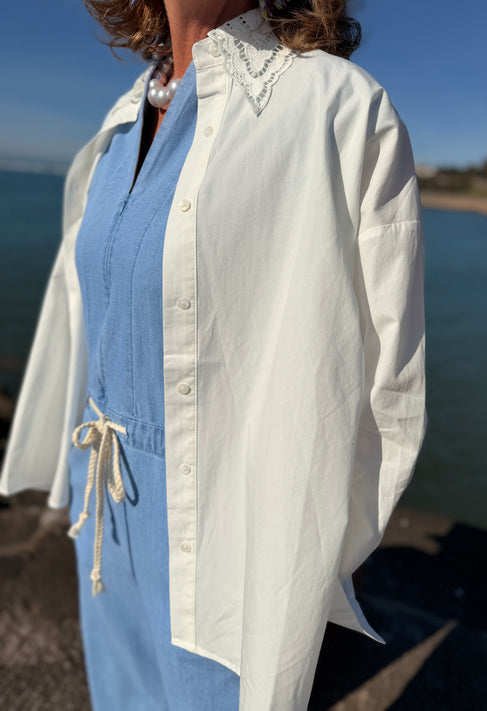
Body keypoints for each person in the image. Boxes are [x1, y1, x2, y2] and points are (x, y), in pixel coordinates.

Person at [0, 0, 428, 709]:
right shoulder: (124, 116)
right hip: (103, 502)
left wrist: (304, 564)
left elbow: (389, 389)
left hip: (230, 533)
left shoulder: (338, 108)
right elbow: (86, 313)